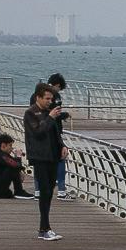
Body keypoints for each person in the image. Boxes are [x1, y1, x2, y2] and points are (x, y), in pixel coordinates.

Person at [22, 82, 67, 240]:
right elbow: (38, 132)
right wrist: (50, 117)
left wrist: (62, 146)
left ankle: (46, 227)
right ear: (38, 97)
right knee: (45, 191)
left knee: (49, 191)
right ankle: (44, 228)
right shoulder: (30, 113)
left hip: (53, 156)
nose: (50, 101)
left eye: (51, 98)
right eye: (47, 98)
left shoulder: (49, 113)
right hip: (40, 157)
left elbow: (56, 133)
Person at [46, 72, 74, 200]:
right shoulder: (54, 95)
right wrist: (65, 114)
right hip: (54, 131)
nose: (59, 90)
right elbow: (55, 113)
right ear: (57, 85)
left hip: (40, 131)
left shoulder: (37, 94)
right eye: (59, 87)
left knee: (42, 160)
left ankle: (39, 191)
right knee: (61, 157)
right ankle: (61, 191)